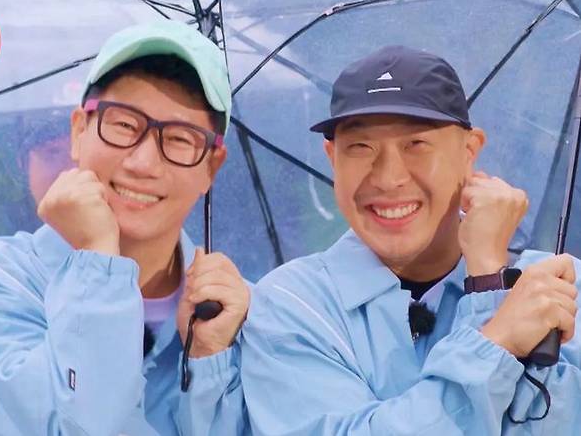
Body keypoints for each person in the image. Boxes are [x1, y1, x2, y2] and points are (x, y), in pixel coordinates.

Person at [0, 19, 249, 435]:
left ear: (212, 167)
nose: (143, 163)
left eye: (181, 139)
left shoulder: (237, 313)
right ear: (79, 131)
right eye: (124, 125)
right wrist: (98, 261)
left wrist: (209, 361)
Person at [241, 45, 581, 435]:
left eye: (415, 144)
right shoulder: (291, 306)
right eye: (361, 147)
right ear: (332, 158)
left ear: (469, 151)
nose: (388, 178)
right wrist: (496, 332)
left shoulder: (559, 285)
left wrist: (492, 278)